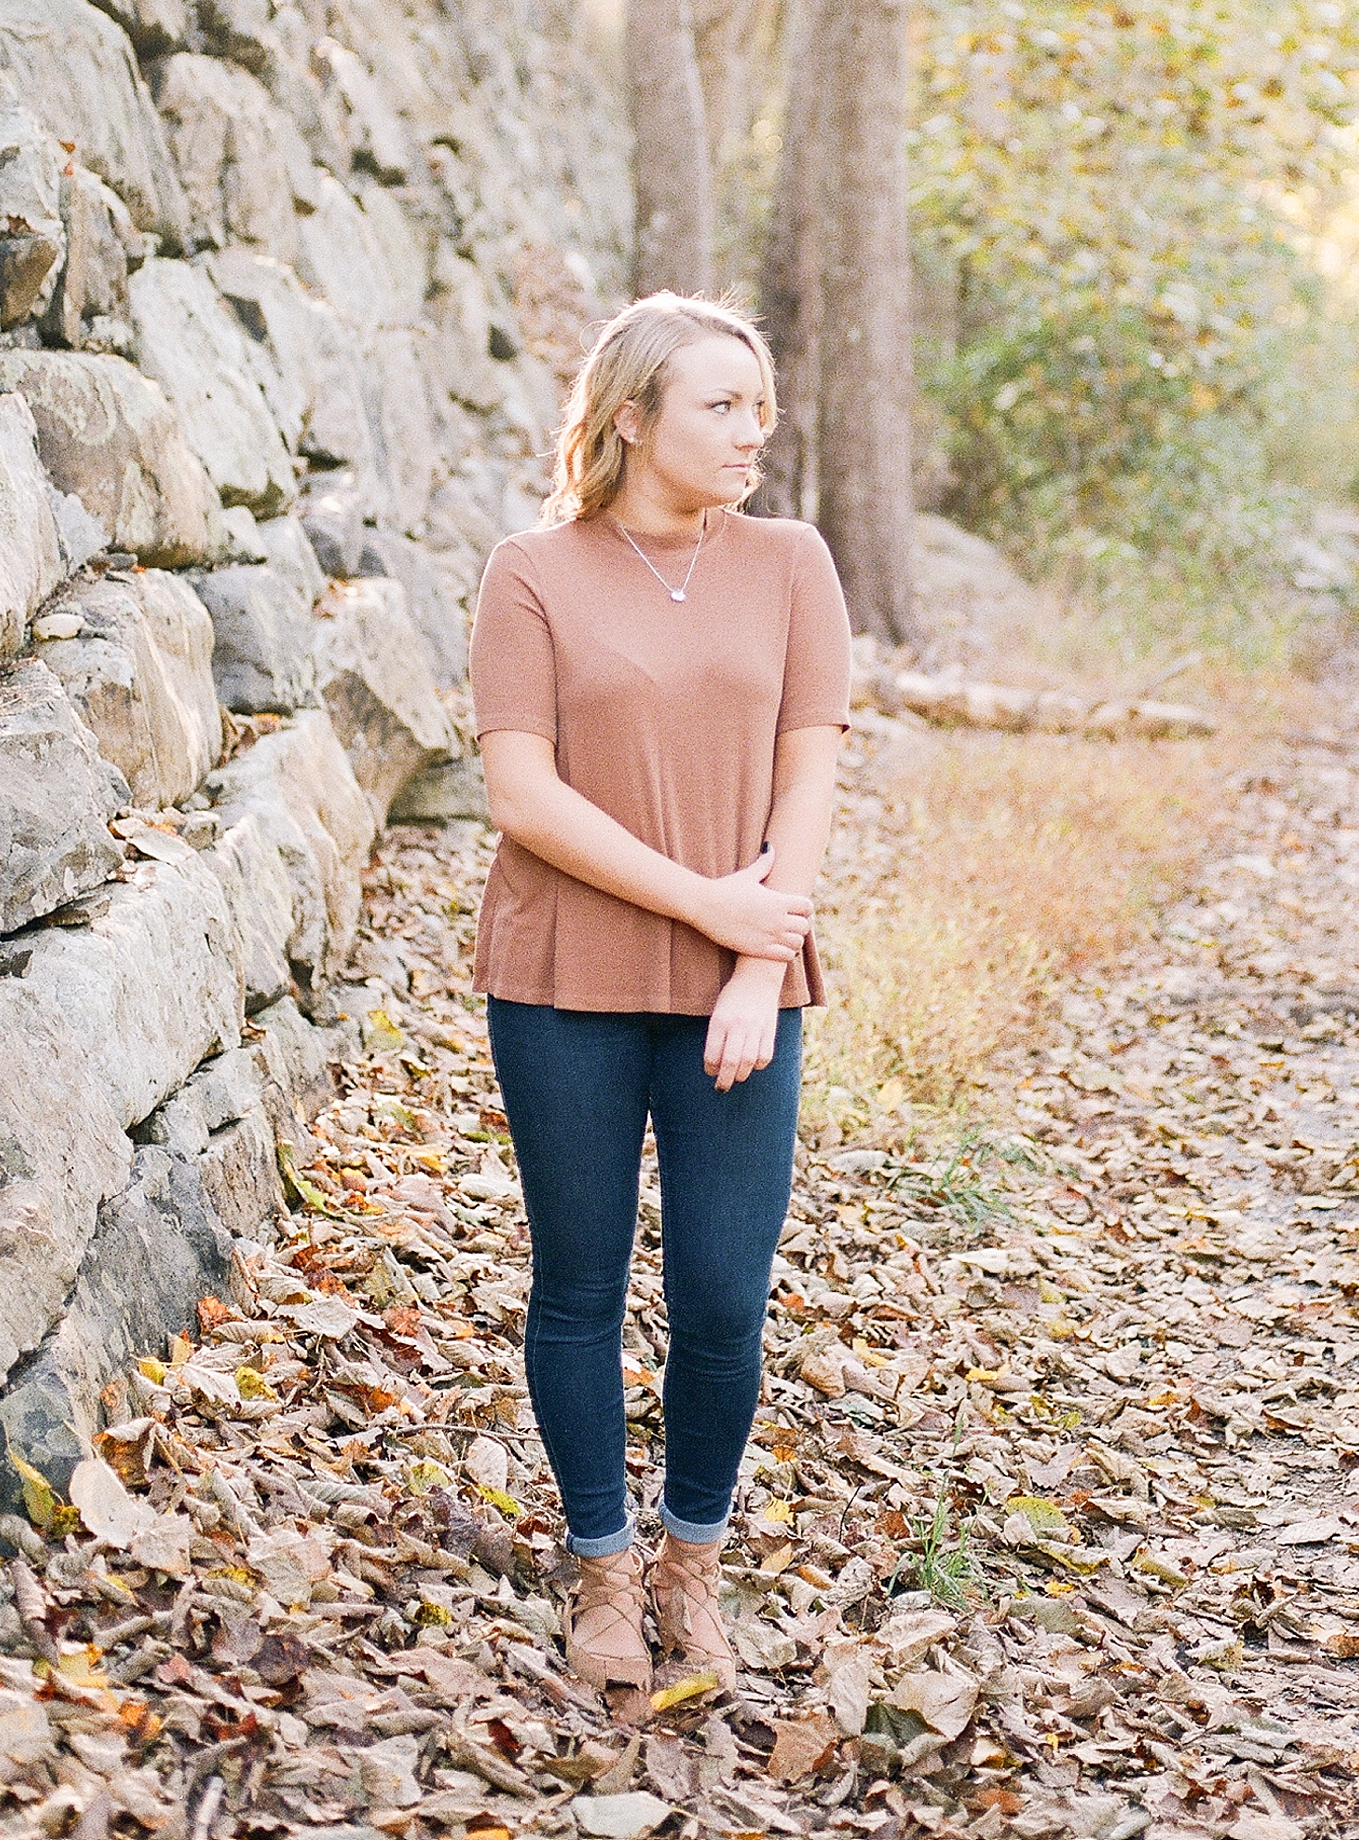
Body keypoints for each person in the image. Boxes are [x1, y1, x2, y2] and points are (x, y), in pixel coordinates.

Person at [468, 291, 851, 1694]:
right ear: (632, 417)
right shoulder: (532, 571)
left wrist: (756, 961)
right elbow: (522, 793)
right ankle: (601, 1573)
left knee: (723, 1299)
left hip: (744, 982)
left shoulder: (794, 563)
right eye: (721, 405)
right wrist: (709, 904)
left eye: (759, 404)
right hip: (562, 976)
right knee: (578, 1285)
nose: (755, 430)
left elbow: (809, 772)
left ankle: (692, 1563)